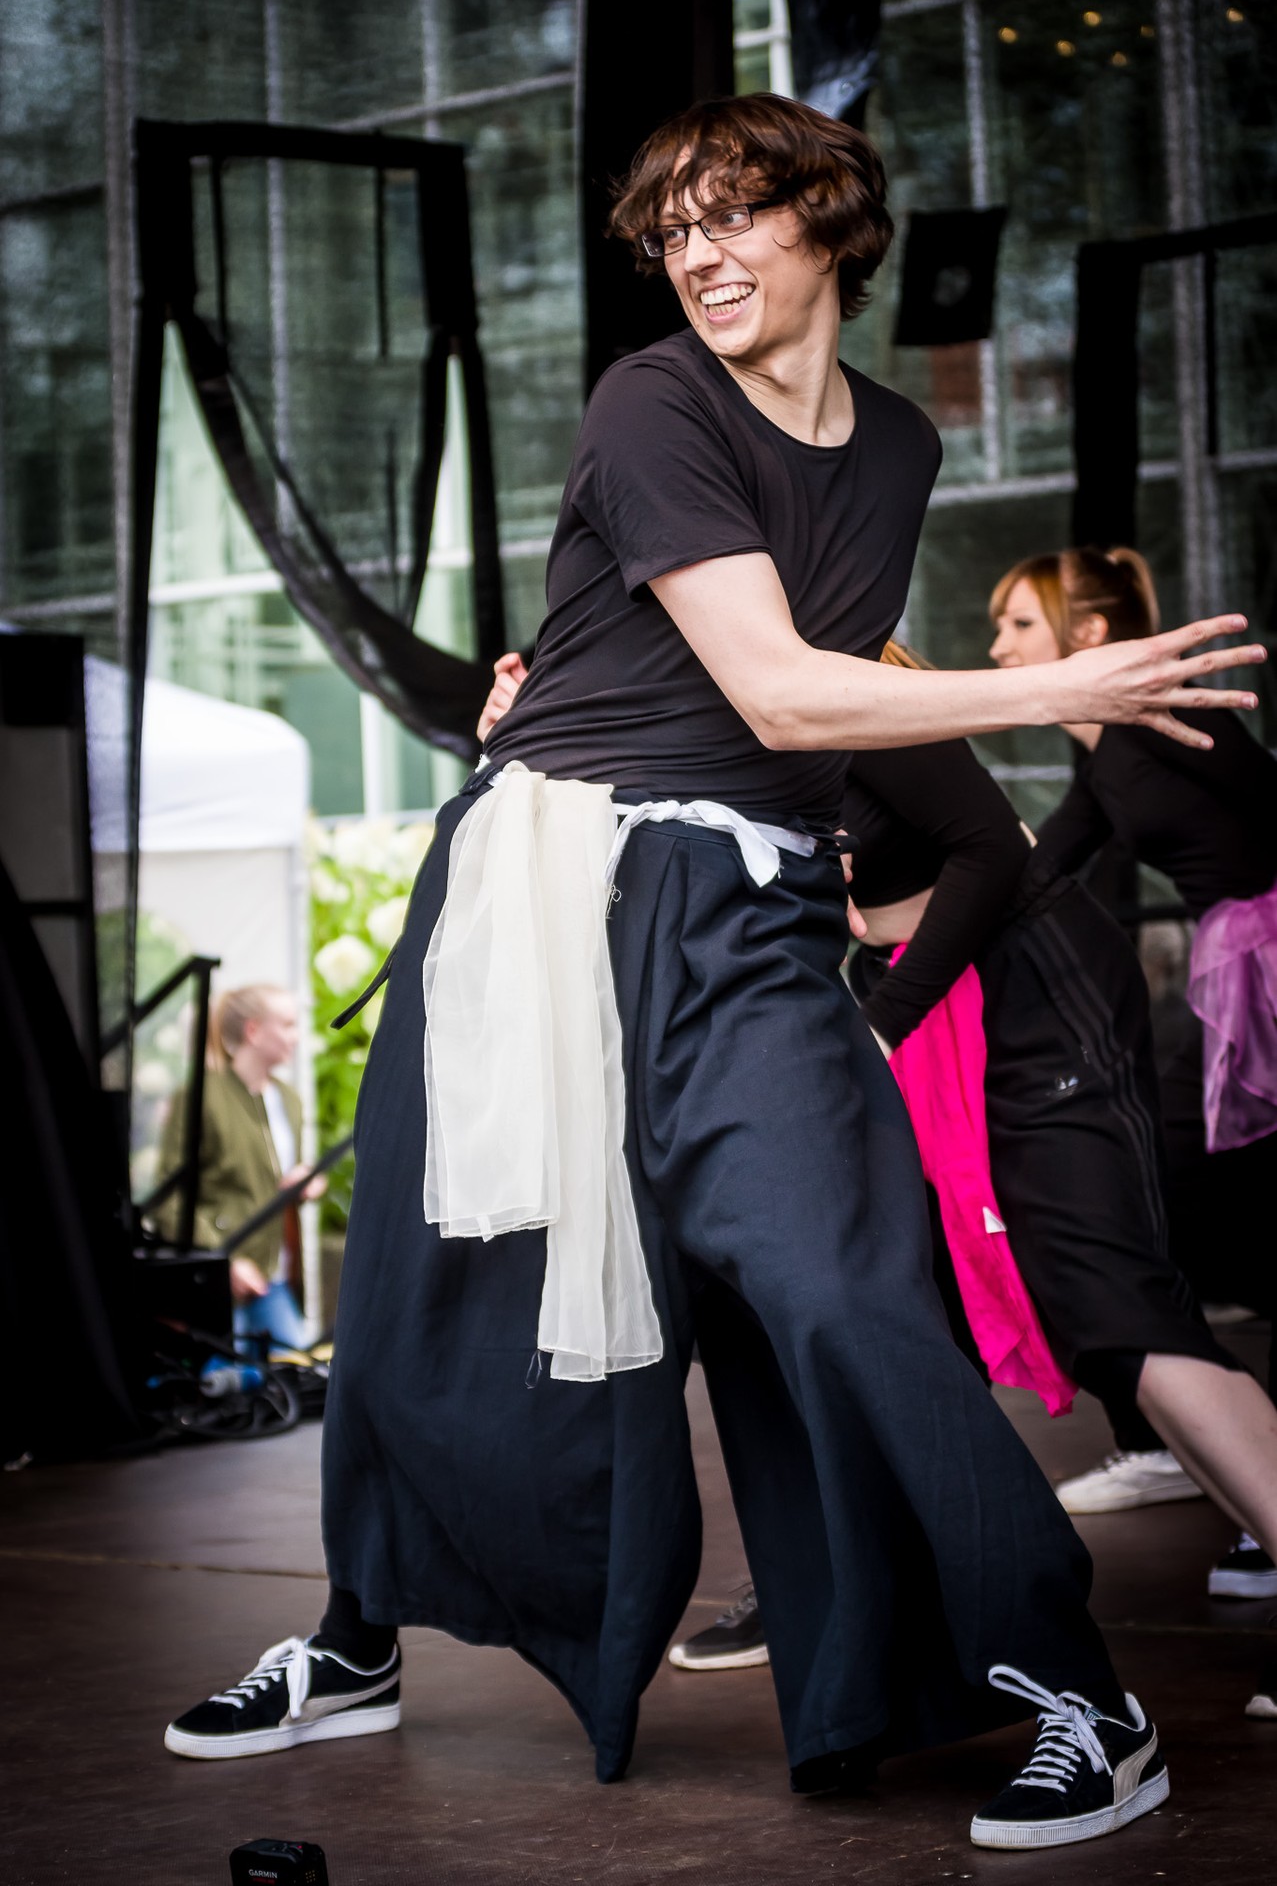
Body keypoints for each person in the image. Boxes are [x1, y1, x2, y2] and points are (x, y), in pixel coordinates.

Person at [164, 94, 1263, 1849]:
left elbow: (802, 709)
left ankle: (1071, 1691)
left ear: (833, 225)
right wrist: (1058, 688)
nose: (698, 253)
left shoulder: (893, 446)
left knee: (843, 1287)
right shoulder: (652, 398)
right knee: (438, 1307)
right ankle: (357, 1640)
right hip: (539, 887)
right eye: (673, 230)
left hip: (742, 913)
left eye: (735, 213)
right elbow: (773, 686)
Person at [671, 675, 1277, 1723]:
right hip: (910, 996)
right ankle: (850, 1592)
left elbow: (993, 847)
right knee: (903, 1301)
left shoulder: (844, 681)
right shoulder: (706, 722)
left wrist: (883, 1020)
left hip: (1020, 993)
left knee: (1115, 1312)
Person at [990, 548, 1277, 1604]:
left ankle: (1234, 1475)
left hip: (1262, 966)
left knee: (1190, 1200)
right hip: (1235, 973)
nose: (997, 650)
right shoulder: (1105, 760)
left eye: (1018, 626)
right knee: (1175, 1207)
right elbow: (1034, 866)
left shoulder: (1160, 720)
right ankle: (1194, 1452)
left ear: (1088, 637)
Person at [157, 984, 323, 1350]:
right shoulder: (201, 1098)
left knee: (293, 1372)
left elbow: (266, 1177)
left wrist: (302, 1184)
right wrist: (224, 1261)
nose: (297, 1036)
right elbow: (170, 1198)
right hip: (221, 1277)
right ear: (253, 1031)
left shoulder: (288, 1100)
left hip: (272, 1276)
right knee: (228, 1376)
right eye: (288, 1025)